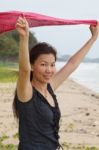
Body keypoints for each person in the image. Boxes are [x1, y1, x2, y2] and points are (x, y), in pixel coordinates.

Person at [13, 16, 99, 150]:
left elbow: (72, 64)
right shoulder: (26, 92)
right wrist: (24, 37)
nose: (49, 70)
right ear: (32, 65)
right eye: (43, 64)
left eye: (52, 65)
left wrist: (93, 39)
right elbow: (23, 71)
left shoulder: (49, 87)